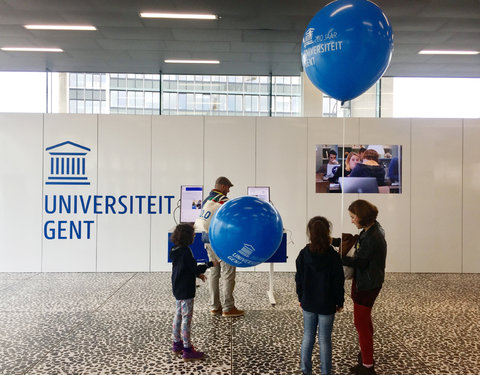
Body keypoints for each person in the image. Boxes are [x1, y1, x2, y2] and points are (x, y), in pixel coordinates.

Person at [342, 200, 387, 375]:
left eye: (353, 217)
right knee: (365, 322)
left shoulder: (372, 237)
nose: (352, 221)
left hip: (367, 285)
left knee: (360, 323)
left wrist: (339, 259)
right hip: (369, 282)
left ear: (363, 217)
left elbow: (359, 262)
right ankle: (366, 353)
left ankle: (367, 366)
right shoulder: (372, 229)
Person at [295, 216, 345, 375]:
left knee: (308, 336)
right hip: (327, 304)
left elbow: (299, 278)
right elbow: (339, 281)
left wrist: (300, 297)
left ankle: (306, 371)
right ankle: (325, 372)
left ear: (310, 233)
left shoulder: (303, 253)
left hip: (308, 302)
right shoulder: (333, 256)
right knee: (325, 340)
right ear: (327, 232)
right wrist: (339, 301)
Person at [194, 176, 244, 317]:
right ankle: (228, 308)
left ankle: (215, 306)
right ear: (222, 186)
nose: (228, 190)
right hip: (222, 243)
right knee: (228, 274)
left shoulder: (206, 200)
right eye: (228, 188)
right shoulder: (223, 201)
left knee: (214, 273)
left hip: (207, 241)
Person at [170, 223, 217, 361]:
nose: (194, 236)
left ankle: (176, 343)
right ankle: (187, 349)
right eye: (192, 234)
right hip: (186, 290)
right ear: (187, 237)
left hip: (178, 288)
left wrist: (198, 275)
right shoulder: (186, 252)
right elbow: (194, 268)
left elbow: (186, 269)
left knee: (178, 315)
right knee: (186, 319)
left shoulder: (175, 249)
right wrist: (210, 264)